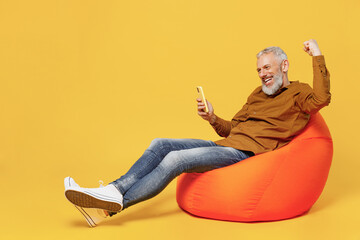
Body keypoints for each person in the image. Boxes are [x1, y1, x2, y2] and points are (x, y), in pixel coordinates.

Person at [64, 39, 330, 227]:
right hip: (227, 145)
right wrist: (212, 116)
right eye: (259, 69)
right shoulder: (257, 95)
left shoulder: (299, 93)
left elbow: (321, 98)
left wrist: (317, 54)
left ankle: (112, 205)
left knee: (176, 161)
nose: (262, 74)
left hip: (246, 154)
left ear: (283, 66)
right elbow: (233, 128)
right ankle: (112, 192)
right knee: (161, 143)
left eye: (267, 68)